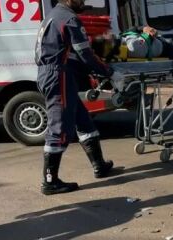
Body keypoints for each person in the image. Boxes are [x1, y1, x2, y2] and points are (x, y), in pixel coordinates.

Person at [35, 0, 124, 195]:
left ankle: (99, 165)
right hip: (58, 75)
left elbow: (69, 54)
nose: (83, 1)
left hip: (54, 73)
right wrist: (109, 72)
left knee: (83, 120)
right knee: (60, 128)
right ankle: (50, 181)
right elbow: (85, 54)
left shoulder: (53, 16)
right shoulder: (69, 18)